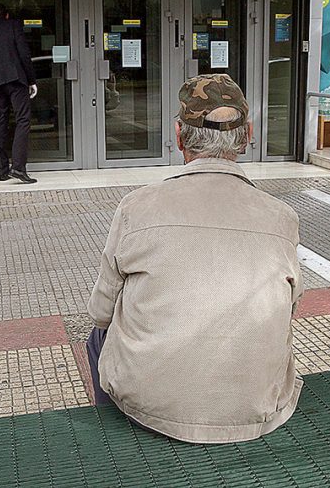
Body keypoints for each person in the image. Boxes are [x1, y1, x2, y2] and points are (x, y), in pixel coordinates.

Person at [84, 74, 304, 444]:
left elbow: (100, 312)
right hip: (256, 412)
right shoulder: (282, 216)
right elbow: (290, 307)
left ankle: (115, 437)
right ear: (248, 135)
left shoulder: (137, 206)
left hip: (148, 409)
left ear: (179, 136)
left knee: (98, 337)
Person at [0, 2, 38, 184]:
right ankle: (18, 168)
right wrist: (31, 80)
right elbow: (24, 54)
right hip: (16, 80)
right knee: (23, 120)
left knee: (1, 122)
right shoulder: (13, 26)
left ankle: (3, 171)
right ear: (7, 15)